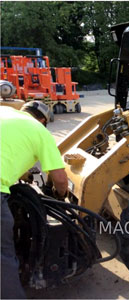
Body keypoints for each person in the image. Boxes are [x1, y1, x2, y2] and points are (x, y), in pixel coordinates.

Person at [0, 101, 68, 299]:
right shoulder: (39, 130)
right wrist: (60, 196)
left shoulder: (4, 111)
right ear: (42, 120)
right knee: (3, 258)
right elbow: (61, 179)